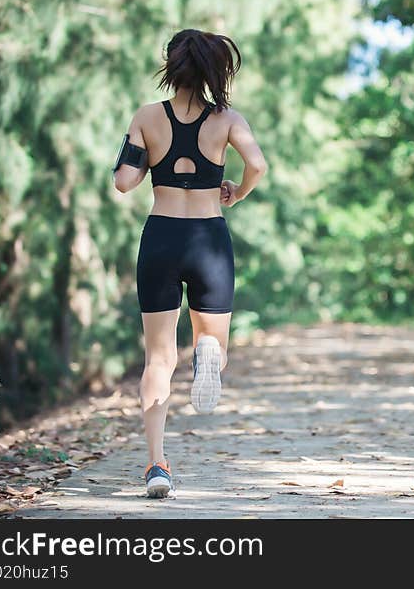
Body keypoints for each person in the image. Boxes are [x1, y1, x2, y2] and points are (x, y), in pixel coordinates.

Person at [112, 29, 267, 498]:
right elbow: (257, 164)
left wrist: (144, 154)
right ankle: (208, 356)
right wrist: (236, 192)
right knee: (213, 346)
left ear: (172, 65)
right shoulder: (226, 120)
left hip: (160, 237)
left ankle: (157, 465)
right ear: (214, 71)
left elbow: (124, 182)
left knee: (158, 358)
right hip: (208, 239)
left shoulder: (146, 117)